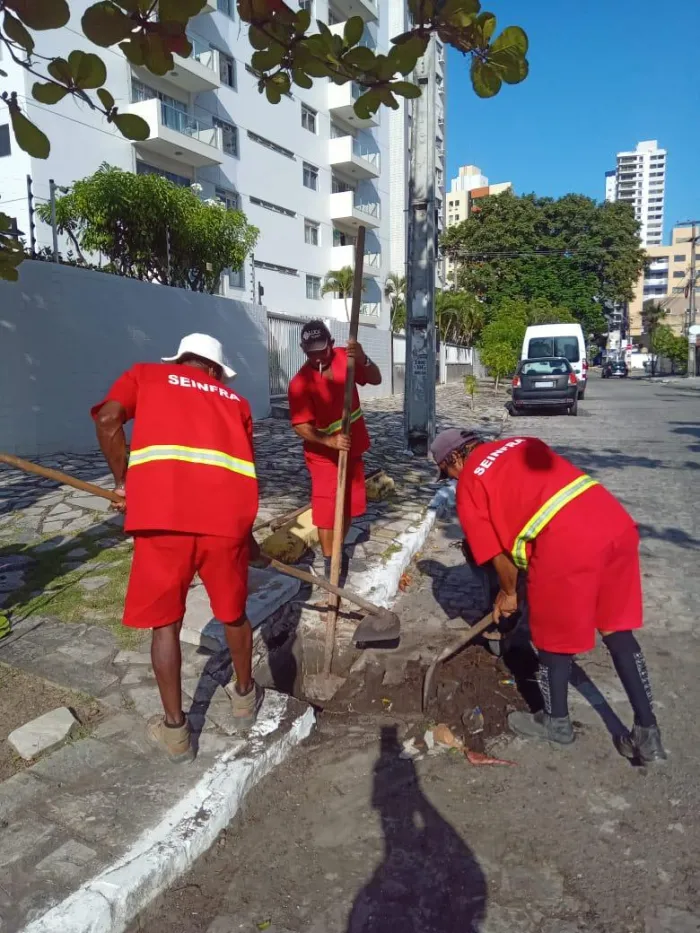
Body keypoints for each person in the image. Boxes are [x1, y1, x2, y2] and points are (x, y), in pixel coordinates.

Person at [430, 427, 666, 765]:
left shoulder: (470, 483)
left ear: (455, 458)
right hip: (613, 523)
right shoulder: (523, 441)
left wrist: (509, 593)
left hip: (566, 542)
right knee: (616, 628)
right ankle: (648, 732)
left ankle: (556, 723)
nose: (451, 479)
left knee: (554, 632)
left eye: (447, 471)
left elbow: (495, 553)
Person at [92, 333, 264, 763]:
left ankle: (176, 734)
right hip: (226, 523)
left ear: (182, 360)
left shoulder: (146, 375)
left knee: (166, 624)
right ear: (215, 370)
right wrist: (249, 537)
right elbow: (242, 466)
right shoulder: (235, 402)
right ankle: (244, 697)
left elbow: (109, 419)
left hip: (162, 520)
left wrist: (123, 482)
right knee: (233, 612)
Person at [287, 320, 382, 582]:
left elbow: (375, 378)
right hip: (322, 456)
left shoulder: (346, 358)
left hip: (353, 448)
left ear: (331, 343)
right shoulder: (299, 383)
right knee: (327, 512)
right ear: (303, 350)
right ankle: (331, 561)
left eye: (323, 349)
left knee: (348, 505)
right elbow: (301, 426)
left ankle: (338, 547)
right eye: (312, 352)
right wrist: (328, 441)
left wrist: (362, 359)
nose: (319, 356)